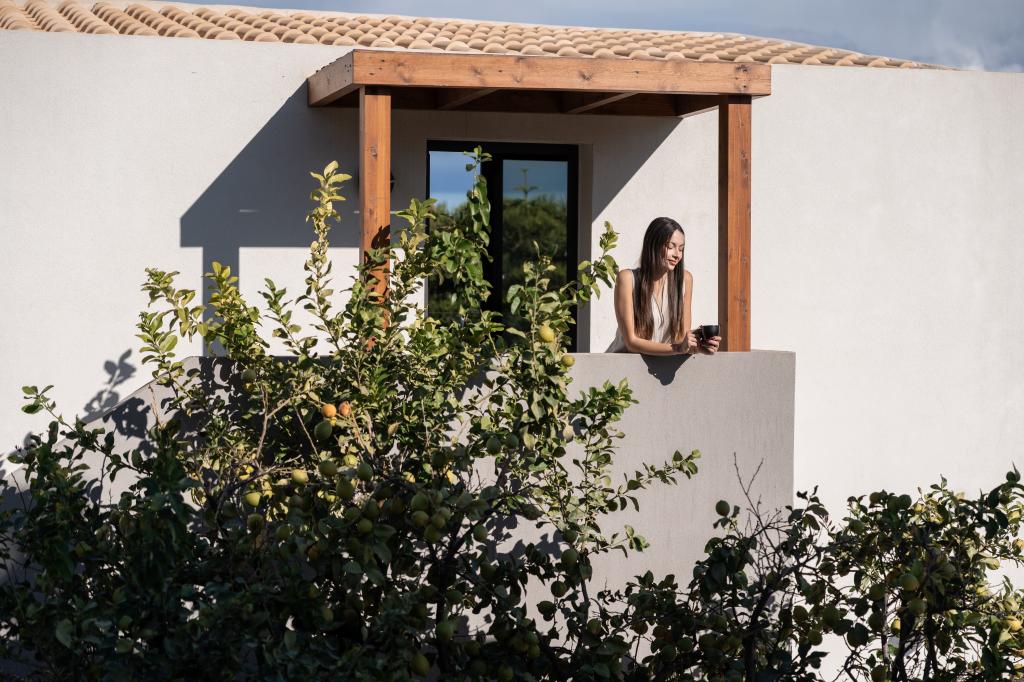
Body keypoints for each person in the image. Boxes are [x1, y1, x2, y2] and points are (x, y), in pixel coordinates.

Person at [606, 217, 721, 355]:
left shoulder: (685, 280)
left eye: (681, 249)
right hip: (621, 365)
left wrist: (698, 345)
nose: (677, 255)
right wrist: (678, 348)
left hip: (660, 366)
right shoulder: (627, 279)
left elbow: (680, 339)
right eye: (670, 247)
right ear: (653, 245)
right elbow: (631, 342)